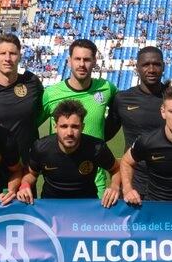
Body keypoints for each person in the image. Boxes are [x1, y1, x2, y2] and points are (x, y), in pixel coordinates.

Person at [39, 39, 117, 196]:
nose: (82, 64)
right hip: (58, 182)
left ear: (94, 61)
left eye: (87, 59)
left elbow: (118, 115)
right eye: (77, 59)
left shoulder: (107, 88)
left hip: (96, 182)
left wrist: (102, 138)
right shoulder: (51, 93)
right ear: (69, 61)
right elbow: (30, 125)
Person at [17, 100, 120, 207]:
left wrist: (115, 186)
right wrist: (25, 185)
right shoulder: (41, 148)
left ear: (82, 127)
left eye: (75, 126)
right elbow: (31, 174)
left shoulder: (96, 148)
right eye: (64, 126)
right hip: (50, 206)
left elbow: (116, 169)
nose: (69, 133)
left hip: (86, 206)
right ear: (55, 126)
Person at [105, 46, 168, 197]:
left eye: (156, 64)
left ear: (163, 66)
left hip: (168, 180)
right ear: (137, 68)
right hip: (132, 181)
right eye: (146, 64)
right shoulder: (122, 99)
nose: (151, 69)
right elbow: (104, 135)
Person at [0, 34, 43, 166]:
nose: (7, 58)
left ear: (20, 56)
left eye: (12, 53)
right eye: (2, 53)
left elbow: (40, 111)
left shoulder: (31, 82)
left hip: (26, 166)